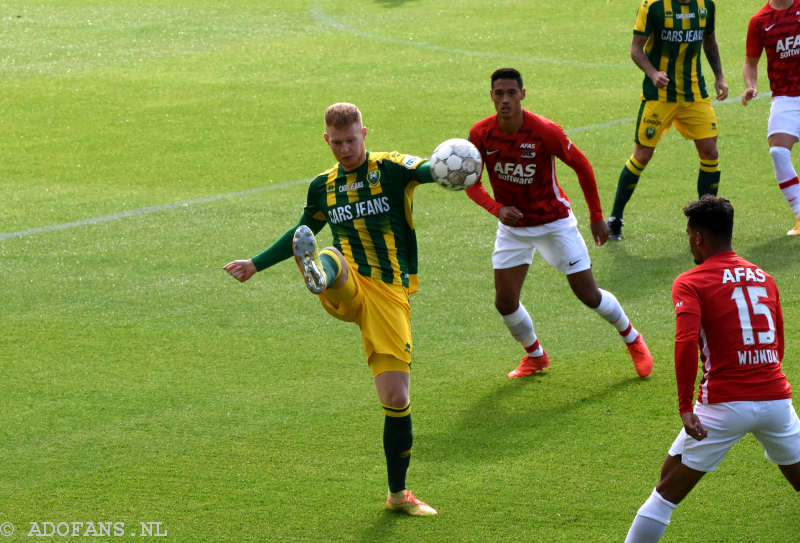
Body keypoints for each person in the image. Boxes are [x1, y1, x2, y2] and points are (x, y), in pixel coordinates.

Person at [223, 103, 438, 516]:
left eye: (351, 140)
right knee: (330, 253)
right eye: (336, 142)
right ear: (327, 139)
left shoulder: (389, 167)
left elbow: (426, 170)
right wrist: (255, 264)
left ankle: (398, 495)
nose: (344, 149)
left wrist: (449, 169)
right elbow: (300, 228)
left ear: (364, 133)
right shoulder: (323, 185)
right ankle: (320, 274)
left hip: (388, 297)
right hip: (348, 284)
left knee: (396, 398)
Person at [623, 196, 800, 543]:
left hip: (722, 407)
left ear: (698, 237)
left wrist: (686, 408)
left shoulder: (692, 281)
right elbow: (778, 345)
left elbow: (686, 343)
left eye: (689, 235)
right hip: (777, 402)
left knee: (663, 497)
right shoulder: (765, 277)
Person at [465, 68, 653, 379]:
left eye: (512, 92)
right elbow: (472, 183)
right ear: (491, 96)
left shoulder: (543, 130)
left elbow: (581, 165)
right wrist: (497, 209)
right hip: (513, 229)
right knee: (505, 301)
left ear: (523, 94)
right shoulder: (481, 134)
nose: (505, 99)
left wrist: (595, 217)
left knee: (588, 294)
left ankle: (633, 339)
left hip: (555, 224)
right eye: (499, 93)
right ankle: (535, 356)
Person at [608, 0, 729, 240]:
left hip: (694, 94)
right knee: (642, 155)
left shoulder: (706, 5)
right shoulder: (652, 6)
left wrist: (719, 76)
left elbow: (709, 40)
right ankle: (615, 218)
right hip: (659, 95)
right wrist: (653, 73)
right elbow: (636, 49)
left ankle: (703, 222)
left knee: (710, 152)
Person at [742, 0, 800, 236]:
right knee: (778, 151)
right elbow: (750, 62)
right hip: (785, 96)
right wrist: (751, 86)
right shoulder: (760, 21)